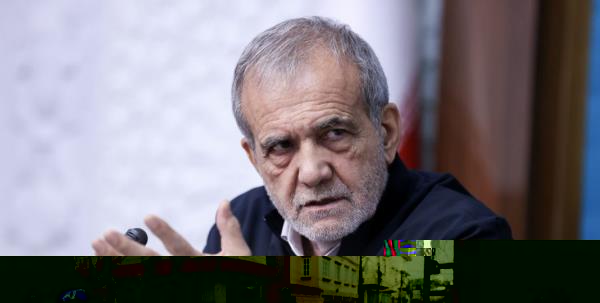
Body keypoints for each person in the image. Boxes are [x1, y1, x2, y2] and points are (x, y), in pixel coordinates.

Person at [92, 16, 512, 257]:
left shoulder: (463, 238)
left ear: (385, 133)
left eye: (334, 133)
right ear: (254, 158)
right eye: (280, 147)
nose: (311, 172)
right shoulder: (239, 229)